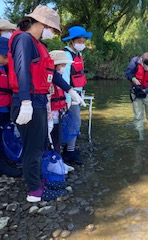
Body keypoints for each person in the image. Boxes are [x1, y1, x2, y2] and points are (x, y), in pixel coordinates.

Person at [8, 5, 85, 202]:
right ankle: (34, 191)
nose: (52, 33)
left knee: (40, 144)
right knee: (32, 148)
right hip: (29, 101)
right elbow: (21, 70)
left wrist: (69, 90)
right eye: (52, 29)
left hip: (40, 101)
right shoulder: (24, 39)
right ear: (42, 23)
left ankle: (38, 180)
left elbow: (51, 73)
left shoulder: (37, 44)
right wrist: (25, 102)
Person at [61, 26, 92, 165]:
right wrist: (69, 97)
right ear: (72, 41)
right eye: (80, 41)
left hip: (78, 93)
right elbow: (66, 77)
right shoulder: (67, 55)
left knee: (74, 121)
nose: (82, 44)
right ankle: (69, 152)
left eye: (84, 41)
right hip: (70, 93)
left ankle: (69, 148)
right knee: (75, 121)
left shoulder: (78, 54)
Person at [125, 52, 148, 141]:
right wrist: (133, 79)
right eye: (146, 66)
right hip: (136, 93)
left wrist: (147, 90)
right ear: (142, 61)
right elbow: (128, 73)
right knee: (138, 116)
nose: (147, 68)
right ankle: (140, 135)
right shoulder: (135, 61)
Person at [0, 36, 22, 177]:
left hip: (5, 106)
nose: (7, 60)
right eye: (4, 56)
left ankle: (5, 160)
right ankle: (2, 165)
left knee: (5, 133)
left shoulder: (5, 67)